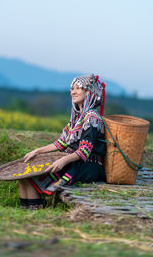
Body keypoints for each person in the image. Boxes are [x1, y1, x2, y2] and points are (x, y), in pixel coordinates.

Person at [18, 74, 107, 210]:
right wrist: (37, 151)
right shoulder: (77, 118)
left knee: (32, 178)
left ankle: (34, 214)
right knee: (23, 178)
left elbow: (84, 151)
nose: (73, 92)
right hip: (74, 162)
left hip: (87, 165)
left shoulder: (92, 118)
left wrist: (63, 161)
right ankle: (24, 213)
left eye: (78, 88)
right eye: (72, 88)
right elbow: (60, 143)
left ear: (89, 93)